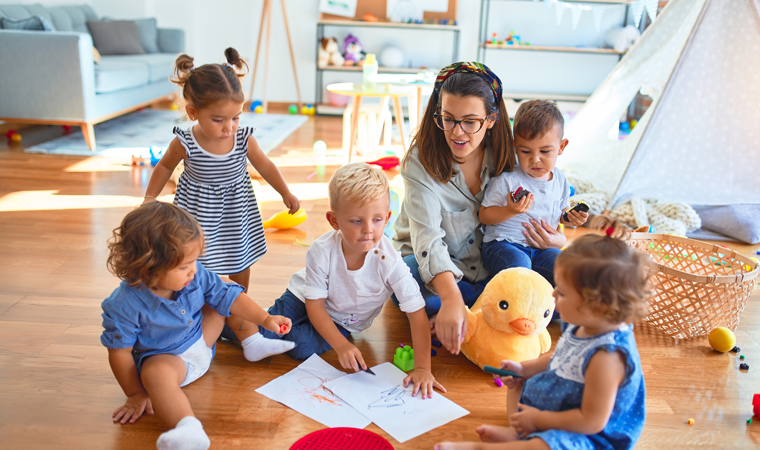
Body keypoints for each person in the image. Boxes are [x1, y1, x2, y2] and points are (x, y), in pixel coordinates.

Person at [435, 217, 650, 450]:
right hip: (568, 403)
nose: (554, 294)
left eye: (564, 293)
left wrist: (539, 420)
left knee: (545, 446)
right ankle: (517, 433)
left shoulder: (608, 357)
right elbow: (565, 357)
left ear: (596, 305)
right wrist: (523, 369)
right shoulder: (585, 324)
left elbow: (591, 422)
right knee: (520, 381)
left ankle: (484, 448)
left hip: (592, 436)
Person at [232, 163, 444, 398]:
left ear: (387, 218)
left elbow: (416, 313)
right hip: (302, 298)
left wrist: (423, 368)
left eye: (377, 220)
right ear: (334, 221)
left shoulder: (390, 261)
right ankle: (232, 313)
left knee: (302, 348)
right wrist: (341, 346)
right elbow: (315, 305)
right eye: (356, 221)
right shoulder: (322, 250)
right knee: (267, 331)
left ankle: (260, 319)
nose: (368, 230)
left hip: (343, 322)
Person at [393, 61, 560, 356]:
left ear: (492, 119)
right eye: (448, 119)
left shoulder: (508, 156)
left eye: (470, 121)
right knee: (402, 280)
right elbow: (427, 241)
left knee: (558, 281)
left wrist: (560, 239)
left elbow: (544, 198)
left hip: (487, 266)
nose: (458, 133)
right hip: (432, 270)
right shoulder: (420, 162)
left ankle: (477, 312)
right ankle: (481, 311)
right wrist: (451, 298)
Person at [101, 202, 295, 450]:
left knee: (226, 290)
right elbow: (119, 354)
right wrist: (135, 393)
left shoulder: (195, 273)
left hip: (203, 340)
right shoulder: (124, 304)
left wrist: (266, 320)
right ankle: (187, 427)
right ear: (147, 268)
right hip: (170, 362)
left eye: (194, 261)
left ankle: (253, 341)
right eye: (184, 266)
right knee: (155, 373)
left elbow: (231, 297)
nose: (194, 270)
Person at [142, 47, 299, 296]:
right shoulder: (184, 142)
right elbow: (164, 166)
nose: (229, 127)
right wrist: (150, 198)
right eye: (218, 120)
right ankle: (194, 301)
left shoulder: (244, 140)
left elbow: (265, 165)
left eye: (235, 118)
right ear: (193, 113)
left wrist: (285, 192)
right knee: (194, 258)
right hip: (196, 213)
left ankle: (239, 303)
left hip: (236, 211)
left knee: (240, 258)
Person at [479, 100, 588, 286]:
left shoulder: (560, 179)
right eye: (526, 151)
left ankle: (552, 310)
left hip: (542, 249)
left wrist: (570, 217)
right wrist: (509, 210)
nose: (535, 159)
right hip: (503, 244)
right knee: (520, 266)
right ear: (515, 147)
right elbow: (484, 215)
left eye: (545, 151)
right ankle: (481, 295)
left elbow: (560, 212)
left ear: (561, 147)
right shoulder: (508, 178)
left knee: (566, 268)